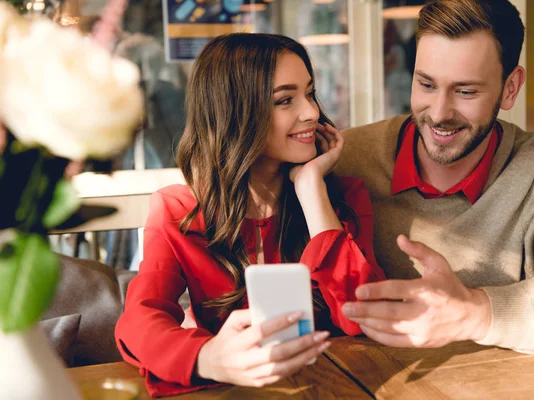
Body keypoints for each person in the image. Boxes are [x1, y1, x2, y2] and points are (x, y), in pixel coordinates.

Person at [114, 33, 384, 397]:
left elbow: (362, 313)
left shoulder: (342, 198)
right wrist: (207, 357)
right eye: (285, 100)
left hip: (342, 387)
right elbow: (140, 321)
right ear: (234, 111)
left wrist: (311, 191)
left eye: (310, 93)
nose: (312, 112)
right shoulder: (179, 211)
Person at [336, 0, 534, 354]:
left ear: (510, 88)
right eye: (426, 84)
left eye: (465, 91)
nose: (439, 113)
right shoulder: (346, 159)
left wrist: (476, 312)